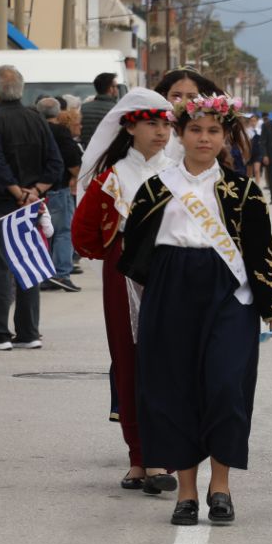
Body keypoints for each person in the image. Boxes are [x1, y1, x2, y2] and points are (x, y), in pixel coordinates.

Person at [119, 93, 272, 525]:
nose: (204, 138)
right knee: (175, 389)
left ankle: (221, 486)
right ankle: (186, 493)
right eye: (195, 129)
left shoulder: (245, 191)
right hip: (171, 289)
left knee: (226, 385)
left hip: (228, 294)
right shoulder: (155, 188)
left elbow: (261, 255)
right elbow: (134, 250)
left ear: (225, 136)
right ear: (179, 134)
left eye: (214, 131)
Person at [71, 89, 181, 493]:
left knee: (170, 361)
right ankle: (140, 456)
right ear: (130, 127)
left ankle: (159, 455)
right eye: (151, 124)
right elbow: (83, 233)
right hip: (125, 275)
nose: (161, 132)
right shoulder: (112, 177)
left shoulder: (182, 172)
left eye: (166, 125)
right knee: (129, 358)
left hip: (175, 270)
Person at [0, 66, 63, 352]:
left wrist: (17, 192)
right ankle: (28, 331)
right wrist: (34, 192)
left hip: (0, 204)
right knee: (27, 265)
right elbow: (55, 163)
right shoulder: (37, 118)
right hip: (31, 205)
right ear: (21, 89)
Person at [37, 97, 83, 292]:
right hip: (58, 187)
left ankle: (44, 272)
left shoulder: (34, 130)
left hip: (35, 190)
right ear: (58, 113)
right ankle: (61, 273)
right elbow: (73, 161)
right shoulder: (61, 132)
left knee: (43, 232)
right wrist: (76, 176)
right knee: (63, 231)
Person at [78, 73, 120, 140]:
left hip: (85, 146)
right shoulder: (117, 110)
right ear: (111, 89)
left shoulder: (83, 108)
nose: (117, 89)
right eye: (116, 86)